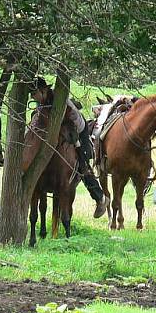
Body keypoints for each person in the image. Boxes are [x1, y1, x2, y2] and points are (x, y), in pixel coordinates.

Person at [32, 78, 108, 219]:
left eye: (34, 93)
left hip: (77, 129)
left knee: (82, 163)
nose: (32, 97)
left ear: (43, 91)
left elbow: (73, 125)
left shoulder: (60, 100)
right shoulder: (41, 103)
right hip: (58, 131)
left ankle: (99, 197)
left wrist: (75, 141)